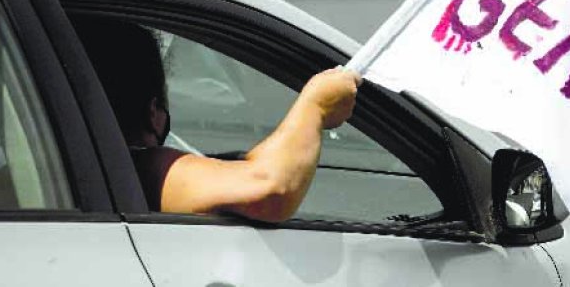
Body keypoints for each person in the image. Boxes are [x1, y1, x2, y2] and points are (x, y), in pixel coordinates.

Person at [72, 16, 361, 223]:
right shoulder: (138, 169)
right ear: (153, 113)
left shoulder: (66, 165)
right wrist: (316, 106)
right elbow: (268, 189)